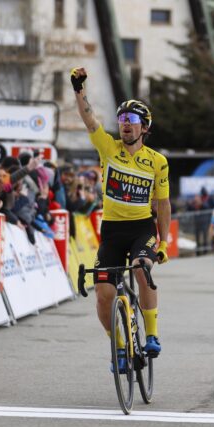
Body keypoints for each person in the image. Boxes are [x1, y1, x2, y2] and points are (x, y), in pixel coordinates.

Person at [71, 66, 170, 373]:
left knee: (142, 269)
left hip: (142, 228)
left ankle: (151, 333)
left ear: (144, 127)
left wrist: (164, 242)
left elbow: (163, 204)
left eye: (132, 121)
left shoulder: (157, 162)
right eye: (122, 120)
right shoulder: (108, 148)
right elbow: (89, 119)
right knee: (102, 293)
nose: (125, 125)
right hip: (112, 231)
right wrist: (79, 89)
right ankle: (118, 345)